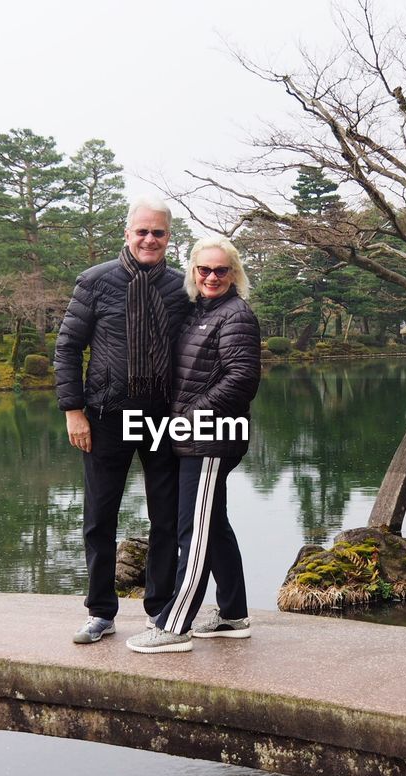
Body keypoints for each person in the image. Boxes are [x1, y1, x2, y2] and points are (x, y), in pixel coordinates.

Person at [54, 198, 191, 645]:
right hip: (107, 415)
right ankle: (100, 611)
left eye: (159, 233)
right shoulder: (95, 282)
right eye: (142, 232)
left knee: (166, 517)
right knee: (99, 518)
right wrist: (74, 411)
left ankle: (160, 609)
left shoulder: (180, 286)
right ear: (127, 233)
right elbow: (68, 348)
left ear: (169, 237)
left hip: (162, 416)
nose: (150, 239)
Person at [126, 236, 261, 654]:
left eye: (221, 270)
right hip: (194, 435)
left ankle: (174, 625)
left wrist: (188, 416)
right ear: (193, 272)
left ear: (234, 273)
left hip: (210, 438)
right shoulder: (200, 311)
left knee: (194, 530)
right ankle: (234, 614)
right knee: (213, 524)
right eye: (204, 270)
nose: (212, 277)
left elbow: (242, 379)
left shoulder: (235, 315)